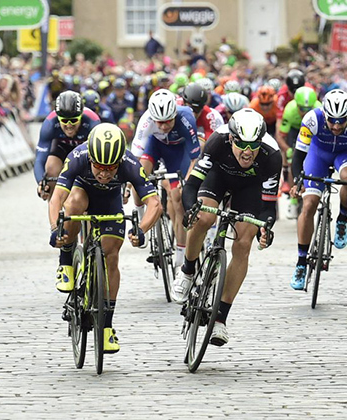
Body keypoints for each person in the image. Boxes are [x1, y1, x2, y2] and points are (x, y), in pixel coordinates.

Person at [48, 123, 162, 353]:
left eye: (110, 168)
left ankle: (107, 326)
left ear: (119, 162)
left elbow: (155, 203)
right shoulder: (78, 156)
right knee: (74, 203)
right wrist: (55, 229)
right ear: (90, 158)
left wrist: (141, 229)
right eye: (99, 166)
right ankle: (65, 263)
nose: (103, 173)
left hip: (110, 201)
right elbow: (57, 197)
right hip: (82, 193)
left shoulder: (130, 163)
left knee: (111, 257)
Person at [177, 109, 281, 346]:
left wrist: (266, 228)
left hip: (250, 188)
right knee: (204, 218)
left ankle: (220, 319)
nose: (247, 152)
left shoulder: (271, 154)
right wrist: (191, 209)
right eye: (242, 144)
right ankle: (187, 270)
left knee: (244, 243)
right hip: (218, 177)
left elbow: (268, 209)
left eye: (253, 145)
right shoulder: (217, 141)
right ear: (232, 138)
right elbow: (191, 186)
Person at [289, 89, 347, 290]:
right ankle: (301, 262)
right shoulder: (312, 119)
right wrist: (298, 179)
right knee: (308, 205)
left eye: (341, 121)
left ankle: (342, 219)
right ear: (324, 114)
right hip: (318, 155)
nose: (335, 125)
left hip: (345, 154)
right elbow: (298, 156)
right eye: (331, 120)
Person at [131, 89, 201, 266]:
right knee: (138, 177)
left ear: (175, 114)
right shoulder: (146, 121)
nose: (163, 126)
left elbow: (195, 159)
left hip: (179, 153)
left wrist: (188, 183)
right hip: (155, 147)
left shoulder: (187, 118)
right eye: (159, 122)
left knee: (178, 199)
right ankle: (141, 220)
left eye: (168, 121)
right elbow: (134, 160)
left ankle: (180, 251)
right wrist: (129, 183)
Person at [35, 90, 100, 199]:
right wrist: (41, 182)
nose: (69, 125)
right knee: (51, 170)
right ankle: (55, 208)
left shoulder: (92, 121)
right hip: (61, 147)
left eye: (74, 120)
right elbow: (39, 159)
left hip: (85, 150)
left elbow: (99, 156)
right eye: (64, 121)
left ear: (81, 116)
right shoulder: (50, 123)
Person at [276, 86, 322, 218]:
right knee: (292, 159)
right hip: (295, 131)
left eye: (309, 109)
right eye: (302, 109)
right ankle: (293, 199)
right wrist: (288, 149)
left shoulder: (319, 109)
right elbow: (281, 135)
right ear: (296, 105)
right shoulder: (289, 110)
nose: (305, 112)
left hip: (313, 130)